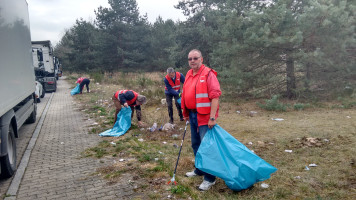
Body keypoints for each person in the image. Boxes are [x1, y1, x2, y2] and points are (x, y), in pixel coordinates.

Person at [181, 49, 221, 191]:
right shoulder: (188, 74)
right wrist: (185, 113)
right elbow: (185, 93)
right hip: (192, 116)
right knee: (196, 144)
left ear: (201, 59)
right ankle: (200, 169)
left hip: (205, 118)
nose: (192, 61)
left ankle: (210, 178)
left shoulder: (209, 74)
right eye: (190, 59)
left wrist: (212, 118)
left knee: (207, 148)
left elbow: (215, 96)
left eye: (195, 58)